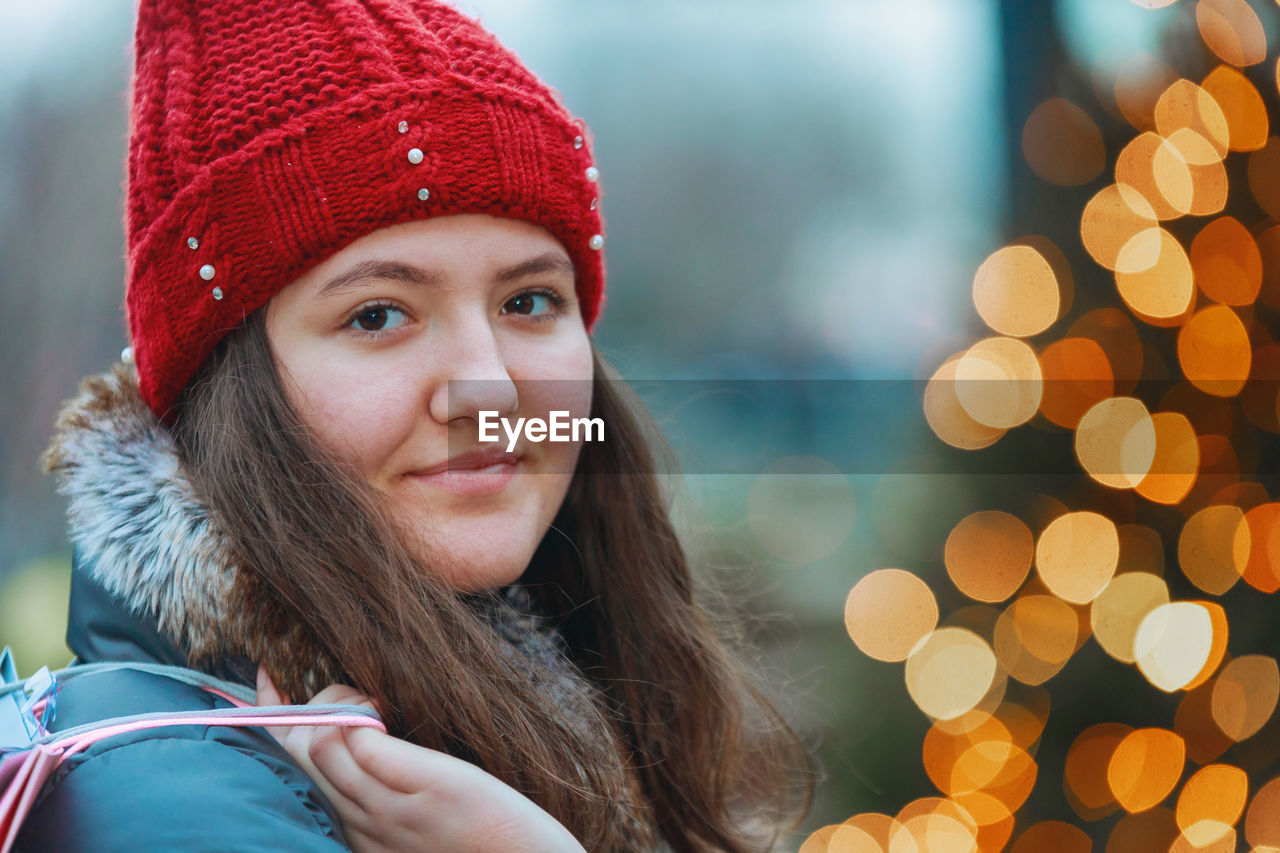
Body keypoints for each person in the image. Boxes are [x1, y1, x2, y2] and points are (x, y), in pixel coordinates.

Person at [12, 1, 811, 851]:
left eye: (529, 300)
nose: (489, 387)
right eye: (379, 314)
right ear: (224, 389)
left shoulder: (592, 677)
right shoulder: (173, 810)